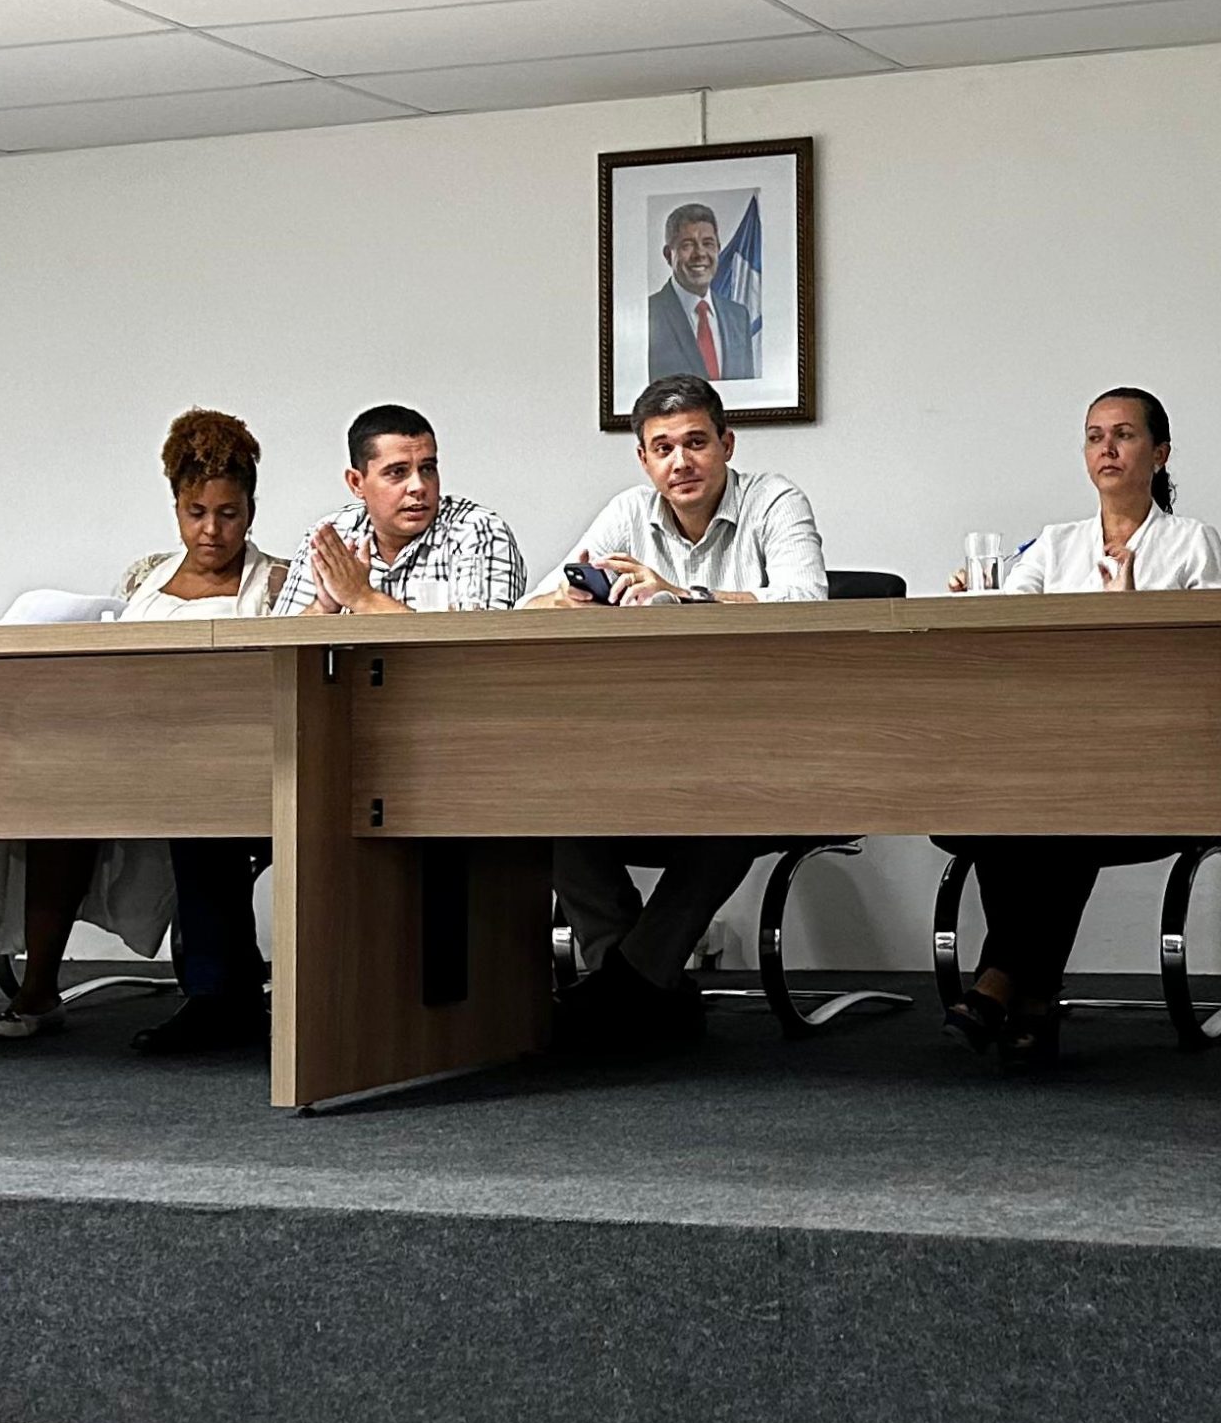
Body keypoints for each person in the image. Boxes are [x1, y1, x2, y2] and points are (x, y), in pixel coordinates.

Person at [0, 409, 287, 1051]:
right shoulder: (144, 577)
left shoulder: (276, 582)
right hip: (132, 746)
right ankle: (38, 989)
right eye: (196, 512)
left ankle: (218, 994)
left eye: (229, 513)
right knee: (56, 801)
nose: (212, 530)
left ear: (251, 509)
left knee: (197, 807)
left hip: (227, 756)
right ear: (175, 506)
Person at [935, 388, 1221, 1066]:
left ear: (1159, 453)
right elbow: (1008, 631)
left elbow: (1220, 658)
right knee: (1011, 802)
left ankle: (1002, 981)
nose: (1107, 448)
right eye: (1095, 436)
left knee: (1066, 809)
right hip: (1056, 749)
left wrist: (1133, 618)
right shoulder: (1055, 543)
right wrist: (977, 600)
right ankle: (1032, 997)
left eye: (1124, 434)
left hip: (1160, 758)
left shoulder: (1192, 541)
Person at [525, 374, 825, 1050]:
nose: (680, 461)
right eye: (662, 448)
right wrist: (570, 602)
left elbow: (808, 599)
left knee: (735, 808)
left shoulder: (774, 500)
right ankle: (644, 986)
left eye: (696, 442)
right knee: (550, 805)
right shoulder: (628, 511)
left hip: (760, 747)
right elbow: (529, 606)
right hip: (647, 746)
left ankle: (622, 991)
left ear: (727, 443)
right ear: (643, 459)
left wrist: (683, 594)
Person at [269, 404, 526, 616]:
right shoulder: (332, 535)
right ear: (356, 483)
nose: (418, 486)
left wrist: (361, 597)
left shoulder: (476, 531)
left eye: (427, 469)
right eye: (397, 472)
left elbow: (481, 647)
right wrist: (324, 607)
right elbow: (280, 649)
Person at [646, 202, 757, 382]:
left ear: (718, 249)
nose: (700, 253)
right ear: (668, 255)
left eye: (708, 243)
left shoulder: (739, 316)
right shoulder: (648, 314)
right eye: (687, 245)